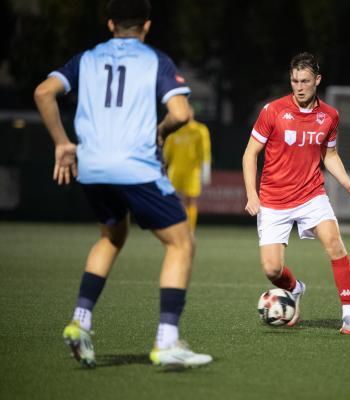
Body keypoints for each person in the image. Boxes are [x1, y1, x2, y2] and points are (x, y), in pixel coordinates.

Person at [33, 0, 212, 368]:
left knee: (111, 237)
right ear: (146, 25)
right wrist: (161, 131)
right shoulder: (155, 60)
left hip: (93, 167)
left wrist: (62, 144)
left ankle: (80, 322)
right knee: (181, 243)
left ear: (111, 23)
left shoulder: (86, 59)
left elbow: (42, 92)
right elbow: (181, 114)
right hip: (135, 167)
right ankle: (167, 340)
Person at [242, 52, 350, 335]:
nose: (299, 87)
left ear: (317, 81)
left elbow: (330, 154)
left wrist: (347, 183)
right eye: (295, 80)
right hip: (273, 200)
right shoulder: (272, 111)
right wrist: (252, 194)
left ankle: (349, 315)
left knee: (335, 244)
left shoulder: (330, 116)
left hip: (311, 195)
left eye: (305, 81)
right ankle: (295, 289)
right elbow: (250, 154)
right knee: (272, 270)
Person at [162, 102, 212, 233]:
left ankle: (190, 230)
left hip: (192, 172)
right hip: (175, 172)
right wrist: (162, 169)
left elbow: (205, 151)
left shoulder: (200, 130)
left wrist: (206, 171)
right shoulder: (174, 131)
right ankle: (177, 227)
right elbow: (167, 153)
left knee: (191, 201)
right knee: (176, 201)